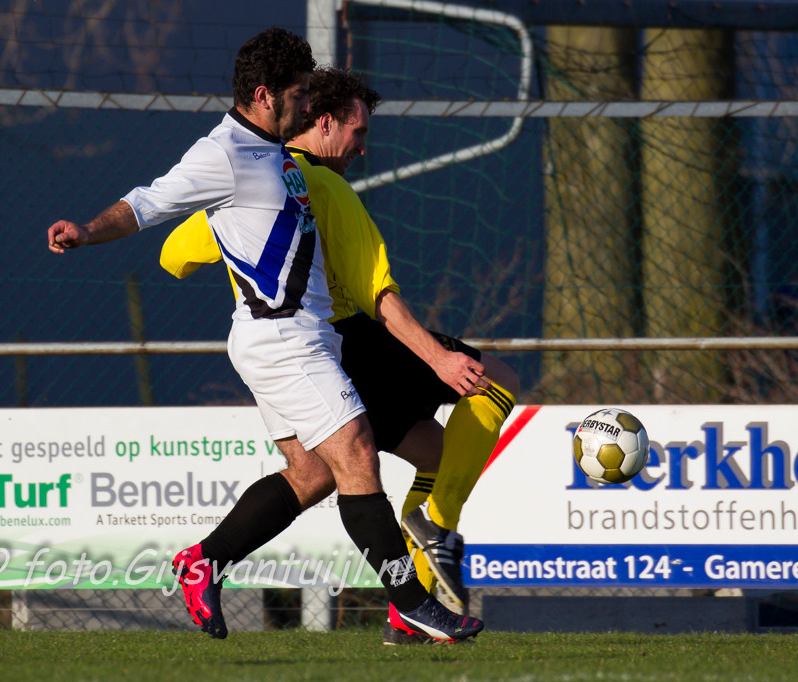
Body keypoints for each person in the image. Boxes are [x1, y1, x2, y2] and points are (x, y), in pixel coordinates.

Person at [46, 28, 482, 644]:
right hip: (283, 339)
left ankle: (204, 563)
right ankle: (411, 604)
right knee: (357, 452)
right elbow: (148, 203)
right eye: (297, 95)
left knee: (312, 474)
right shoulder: (223, 153)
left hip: (295, 337)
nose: (305, 106)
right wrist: (88, 231)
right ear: (262, 95)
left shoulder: (276, 153)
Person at [160, 66, 520, 643]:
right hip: (333, 341)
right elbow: (378, 294)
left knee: (329, 471)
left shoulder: (254, 178)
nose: (361, 147)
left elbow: (174, 256)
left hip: (266, 343)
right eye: (358, 132)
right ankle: (432, 537)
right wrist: (438, 359)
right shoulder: (325, 187)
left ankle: (207, 560)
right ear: (323, 122)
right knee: (494, 380)